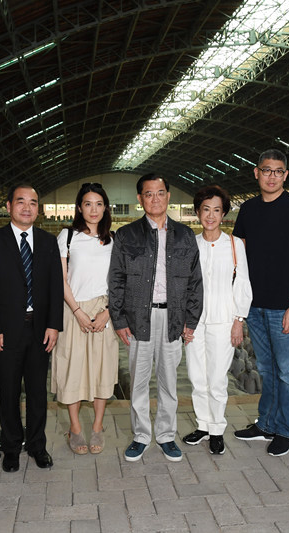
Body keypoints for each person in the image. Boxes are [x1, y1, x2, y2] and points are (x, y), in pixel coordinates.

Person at [108, 173, 203, 463]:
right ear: (140, 199)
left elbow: (195, 281)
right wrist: (120, 320)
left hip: (172, 316)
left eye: (160, 193)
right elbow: (117, 280)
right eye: (148, 194)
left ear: (168, 196)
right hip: (139, 318)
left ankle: (165, 435)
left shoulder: (185, 235)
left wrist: (191, 319)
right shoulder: (126, 235)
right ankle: (140, 436)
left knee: (169, 382)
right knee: (138, 382)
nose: (155, 198)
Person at [232, 149, 289, 457]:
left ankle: (284, 430)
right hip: (255, 306)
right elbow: (238, 258)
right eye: (266, 170)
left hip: (284, 307)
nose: (272, 176)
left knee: (287, 371)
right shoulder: (249, 210)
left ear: (286, 175)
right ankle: (265, 423)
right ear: (256, 173)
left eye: (278, 171)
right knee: (266, 369)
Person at [0, 183, 63, 473]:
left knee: (38, 393)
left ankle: (38, 445)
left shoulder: (49, 242)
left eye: (33, 203)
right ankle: (12, 447)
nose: (27, 207)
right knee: (10, 392)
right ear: (9, 205)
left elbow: (55, 287)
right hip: (7, 331)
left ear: (38, 208)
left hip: (40, 330)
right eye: (21, 202)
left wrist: (54, 325)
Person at [182, 185, 251, 455]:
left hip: (223, 319)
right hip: (194, 321)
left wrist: (238, 320)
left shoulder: (234, 245)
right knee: (196, 377)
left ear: (224, 214)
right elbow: (183, 286)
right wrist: (184, 323)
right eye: (206, 209)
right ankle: (202, 424)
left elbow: (242, 283)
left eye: (217, 210)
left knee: (217, 378)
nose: (210, 216)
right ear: (198, 212)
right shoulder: (190, 245)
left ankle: (217, 430)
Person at [51, 183, 119, 455]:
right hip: (73, 309)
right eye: (88, 204)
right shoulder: (67, 237)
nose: (94, 209)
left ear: (105, 207)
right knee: (73, 368)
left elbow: (119, 280)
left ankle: (98, 427)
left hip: (104, 310)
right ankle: (76, 428)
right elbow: (61, 279)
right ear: (79, 207)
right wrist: (77, 311)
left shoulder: (113, 239)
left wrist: (108, 311)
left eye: (99, 204)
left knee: (102, 368)